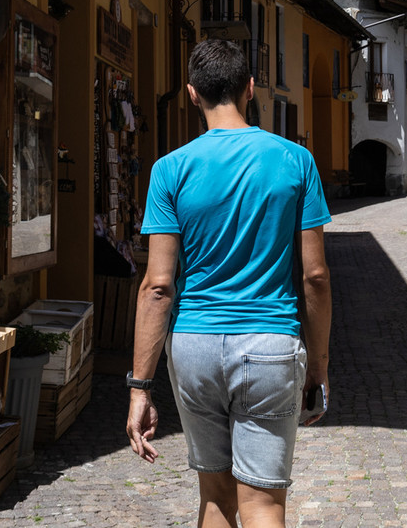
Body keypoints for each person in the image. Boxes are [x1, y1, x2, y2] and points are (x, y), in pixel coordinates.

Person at [126, 38, 332, 528]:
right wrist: (318, 366)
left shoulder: (169, 170)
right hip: (269, 344)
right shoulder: (295, 161)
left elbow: (158, 285)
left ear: (192, 95)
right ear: (251, 89)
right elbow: (315, 276)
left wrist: (139, 388)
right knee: (263, 504)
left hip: (194, 344)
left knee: (216, 498)